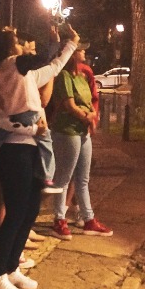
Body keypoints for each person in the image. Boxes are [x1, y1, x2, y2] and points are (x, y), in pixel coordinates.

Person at [0, 25, 77, 289]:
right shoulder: (10, 67)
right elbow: (44, 59)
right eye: (17, 41)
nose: (22, 44)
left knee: (30, 209)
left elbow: (53, 67)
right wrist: (54, 40)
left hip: (31, 147)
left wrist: (69, 45)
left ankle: (11, 268)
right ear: (9, 50)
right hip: (15, 150)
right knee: (17, 211)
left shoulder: (22, 74)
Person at [47, 44, 113, 240]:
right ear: (72, 54)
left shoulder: (82, 76)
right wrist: (86, 116)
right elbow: (69, 105)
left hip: (82, 130)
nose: (84, 52)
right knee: (64, 177)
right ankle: (59, 219)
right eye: (81, 49)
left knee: (83, 178)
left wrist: (92, 114)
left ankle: (88, 218)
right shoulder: (64, 77)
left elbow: (90, 100)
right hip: (67, 130)